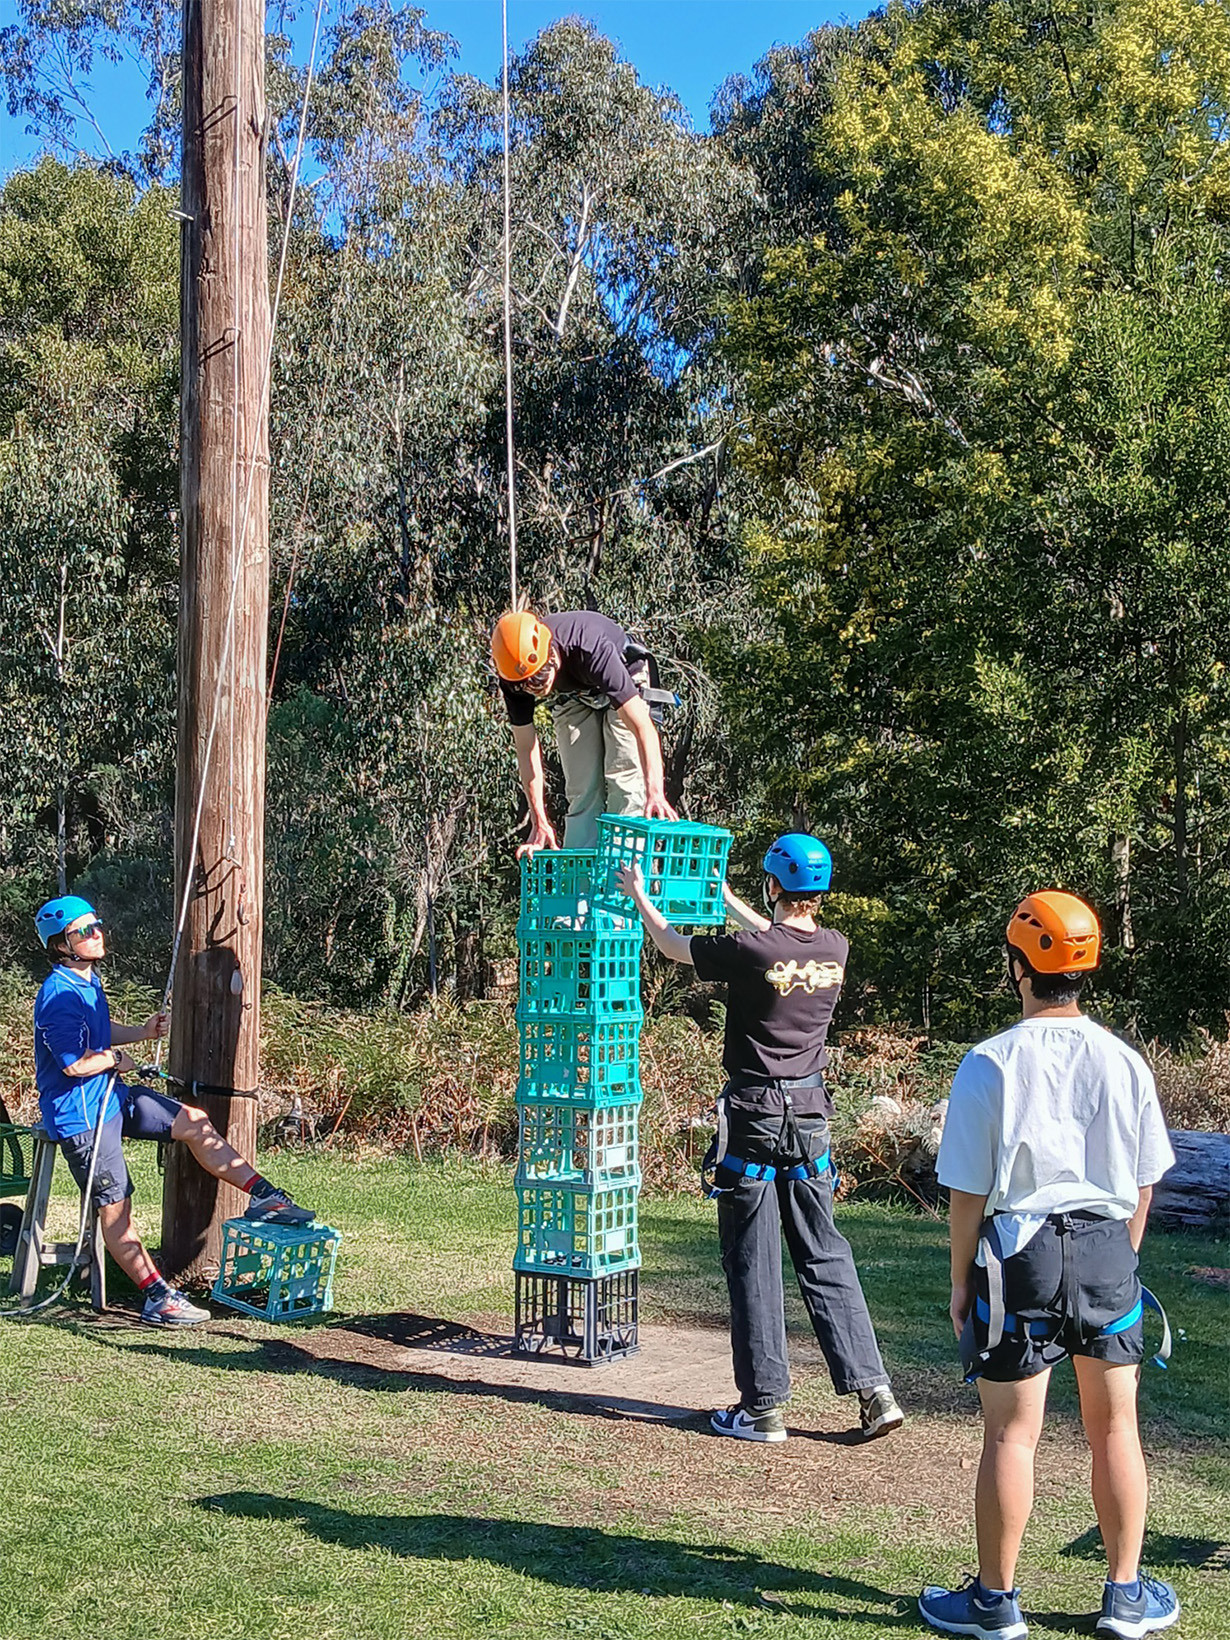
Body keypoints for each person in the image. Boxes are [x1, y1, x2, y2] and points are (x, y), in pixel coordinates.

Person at [920, 891, 1179, 1640]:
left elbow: (967, 1191)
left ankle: (995, 1603)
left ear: (1018, 967)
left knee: (1011, 1435)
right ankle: (1125, 1596)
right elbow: (1144, 1180)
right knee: (1116, 1428)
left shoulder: (989, 1062)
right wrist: (1122, 1260)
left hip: (1019, 1253)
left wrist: (961, 1281)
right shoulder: (1125, 1060)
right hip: (1106, 1248)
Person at [616, 833, 904, 1442]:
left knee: (753, 1257)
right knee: (824, 1252)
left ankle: (762, 1407)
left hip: (755, 1114)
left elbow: (673, 946)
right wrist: (728, 900)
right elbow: (780, 943)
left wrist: (639, 895)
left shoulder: (751, 950)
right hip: (811, 1118)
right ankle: (874, 1391)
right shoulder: (835, 948)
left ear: (774, 885)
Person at [32, 895, 315, 1327]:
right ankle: (157, 1298)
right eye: (84, 931)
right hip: (81, 1116)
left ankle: (266, 1198)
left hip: (110, 1097)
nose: (97, 934)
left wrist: (141, 1033)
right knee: (116, 1211)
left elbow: (99, 1034)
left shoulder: (87, 981)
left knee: (195, 1122)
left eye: (97, 925)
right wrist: (114, 1059)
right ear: (60, 945)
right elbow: (73, 1064)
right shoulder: (58, 996)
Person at [491, 608, 678, 854]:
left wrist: (655, 792)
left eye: (538, 680)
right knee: (581, 788)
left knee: (624, 778)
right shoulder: (514, 677)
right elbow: (526, 747)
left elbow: (642, 727)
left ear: (551, 654)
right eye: (526, 686)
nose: (533, 688)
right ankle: (579, 875)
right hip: (572, 695)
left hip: (623, 677)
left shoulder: (589, 647)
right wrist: (539, 820)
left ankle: (623, 871)